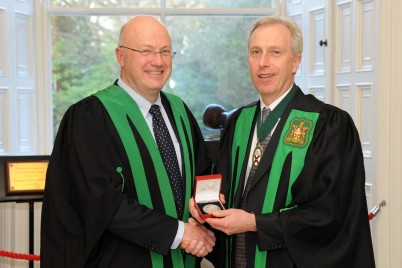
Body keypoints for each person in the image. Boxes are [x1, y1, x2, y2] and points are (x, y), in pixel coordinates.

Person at [190, 15, 376, 268]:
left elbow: (330, 213)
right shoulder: (237, 122)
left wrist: (255, 223)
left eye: (275, 52)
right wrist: (204, 206)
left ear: (295, 62)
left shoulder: (328, 124)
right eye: (256, 52)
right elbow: (221, 187)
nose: (263, 63)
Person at [41, 15, 215, 267]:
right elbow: (102, 203)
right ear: (121, 57)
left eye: (165, 51)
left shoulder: (179, 112)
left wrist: (204, 220)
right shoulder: (90, 117)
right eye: (146, 51)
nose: (157, 61)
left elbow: (203, 175)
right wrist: (181, 233)